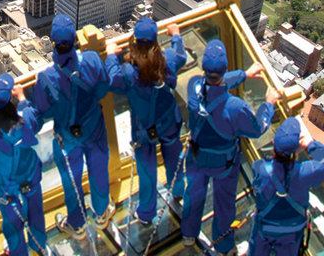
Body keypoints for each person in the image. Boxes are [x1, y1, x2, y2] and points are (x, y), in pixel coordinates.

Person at [181, 39, 279, 255]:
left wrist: (243, 74)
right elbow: (256, 129)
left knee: (193, 194)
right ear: (224, 69)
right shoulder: (236, 108)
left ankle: (188, 235)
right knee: (224, 204)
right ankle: (224, 247)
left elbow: (213, 86)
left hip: (197, 157)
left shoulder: (193, 86)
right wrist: (268, 105)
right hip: (223, 163)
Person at [33, 14, 113, 239]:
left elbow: (43, 111)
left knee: (71, 181)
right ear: (76, 40)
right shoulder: (92, 59)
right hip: (94, 129)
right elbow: (102, 89)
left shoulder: (45, 78)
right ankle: (101, 213)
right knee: (99, 170)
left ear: (53, 44)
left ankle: (77, 224)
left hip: (66, 137)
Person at [105, 18, 187, 225]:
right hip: (168, 121)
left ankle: (147, 213)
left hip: (144, 128)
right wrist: (176, 35)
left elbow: (112, 78)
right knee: (174, 158)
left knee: (147, 171)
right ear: (155, 42)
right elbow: (181, 56)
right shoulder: (166, 60)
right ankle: (178, 190)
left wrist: (111, 55)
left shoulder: (129, 73)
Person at [0, 74, 48, 256]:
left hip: (6, 185)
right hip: (30, 175)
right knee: (36, 211)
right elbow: (35, 123)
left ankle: (17, 251)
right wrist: (22, 99)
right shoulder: (23, 118)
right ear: (9, 102)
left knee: (12, 222)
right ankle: (38, 245)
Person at [247, 116, 324, 256]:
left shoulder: (259, 168)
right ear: (295, 150)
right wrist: (310, 144)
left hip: (265, 227)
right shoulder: (306, 172)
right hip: (291, 232)